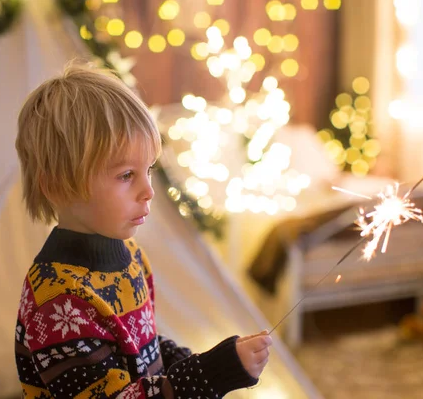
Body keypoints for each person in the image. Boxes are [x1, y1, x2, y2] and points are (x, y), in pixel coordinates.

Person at [14, 61, 272, 398]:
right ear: (58, 187)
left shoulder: (129, 256)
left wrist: (194, 361)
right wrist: (210, 374)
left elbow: (140, 349)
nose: (148, 190)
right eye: (125, 176)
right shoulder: (58, 300)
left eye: (148, 169)